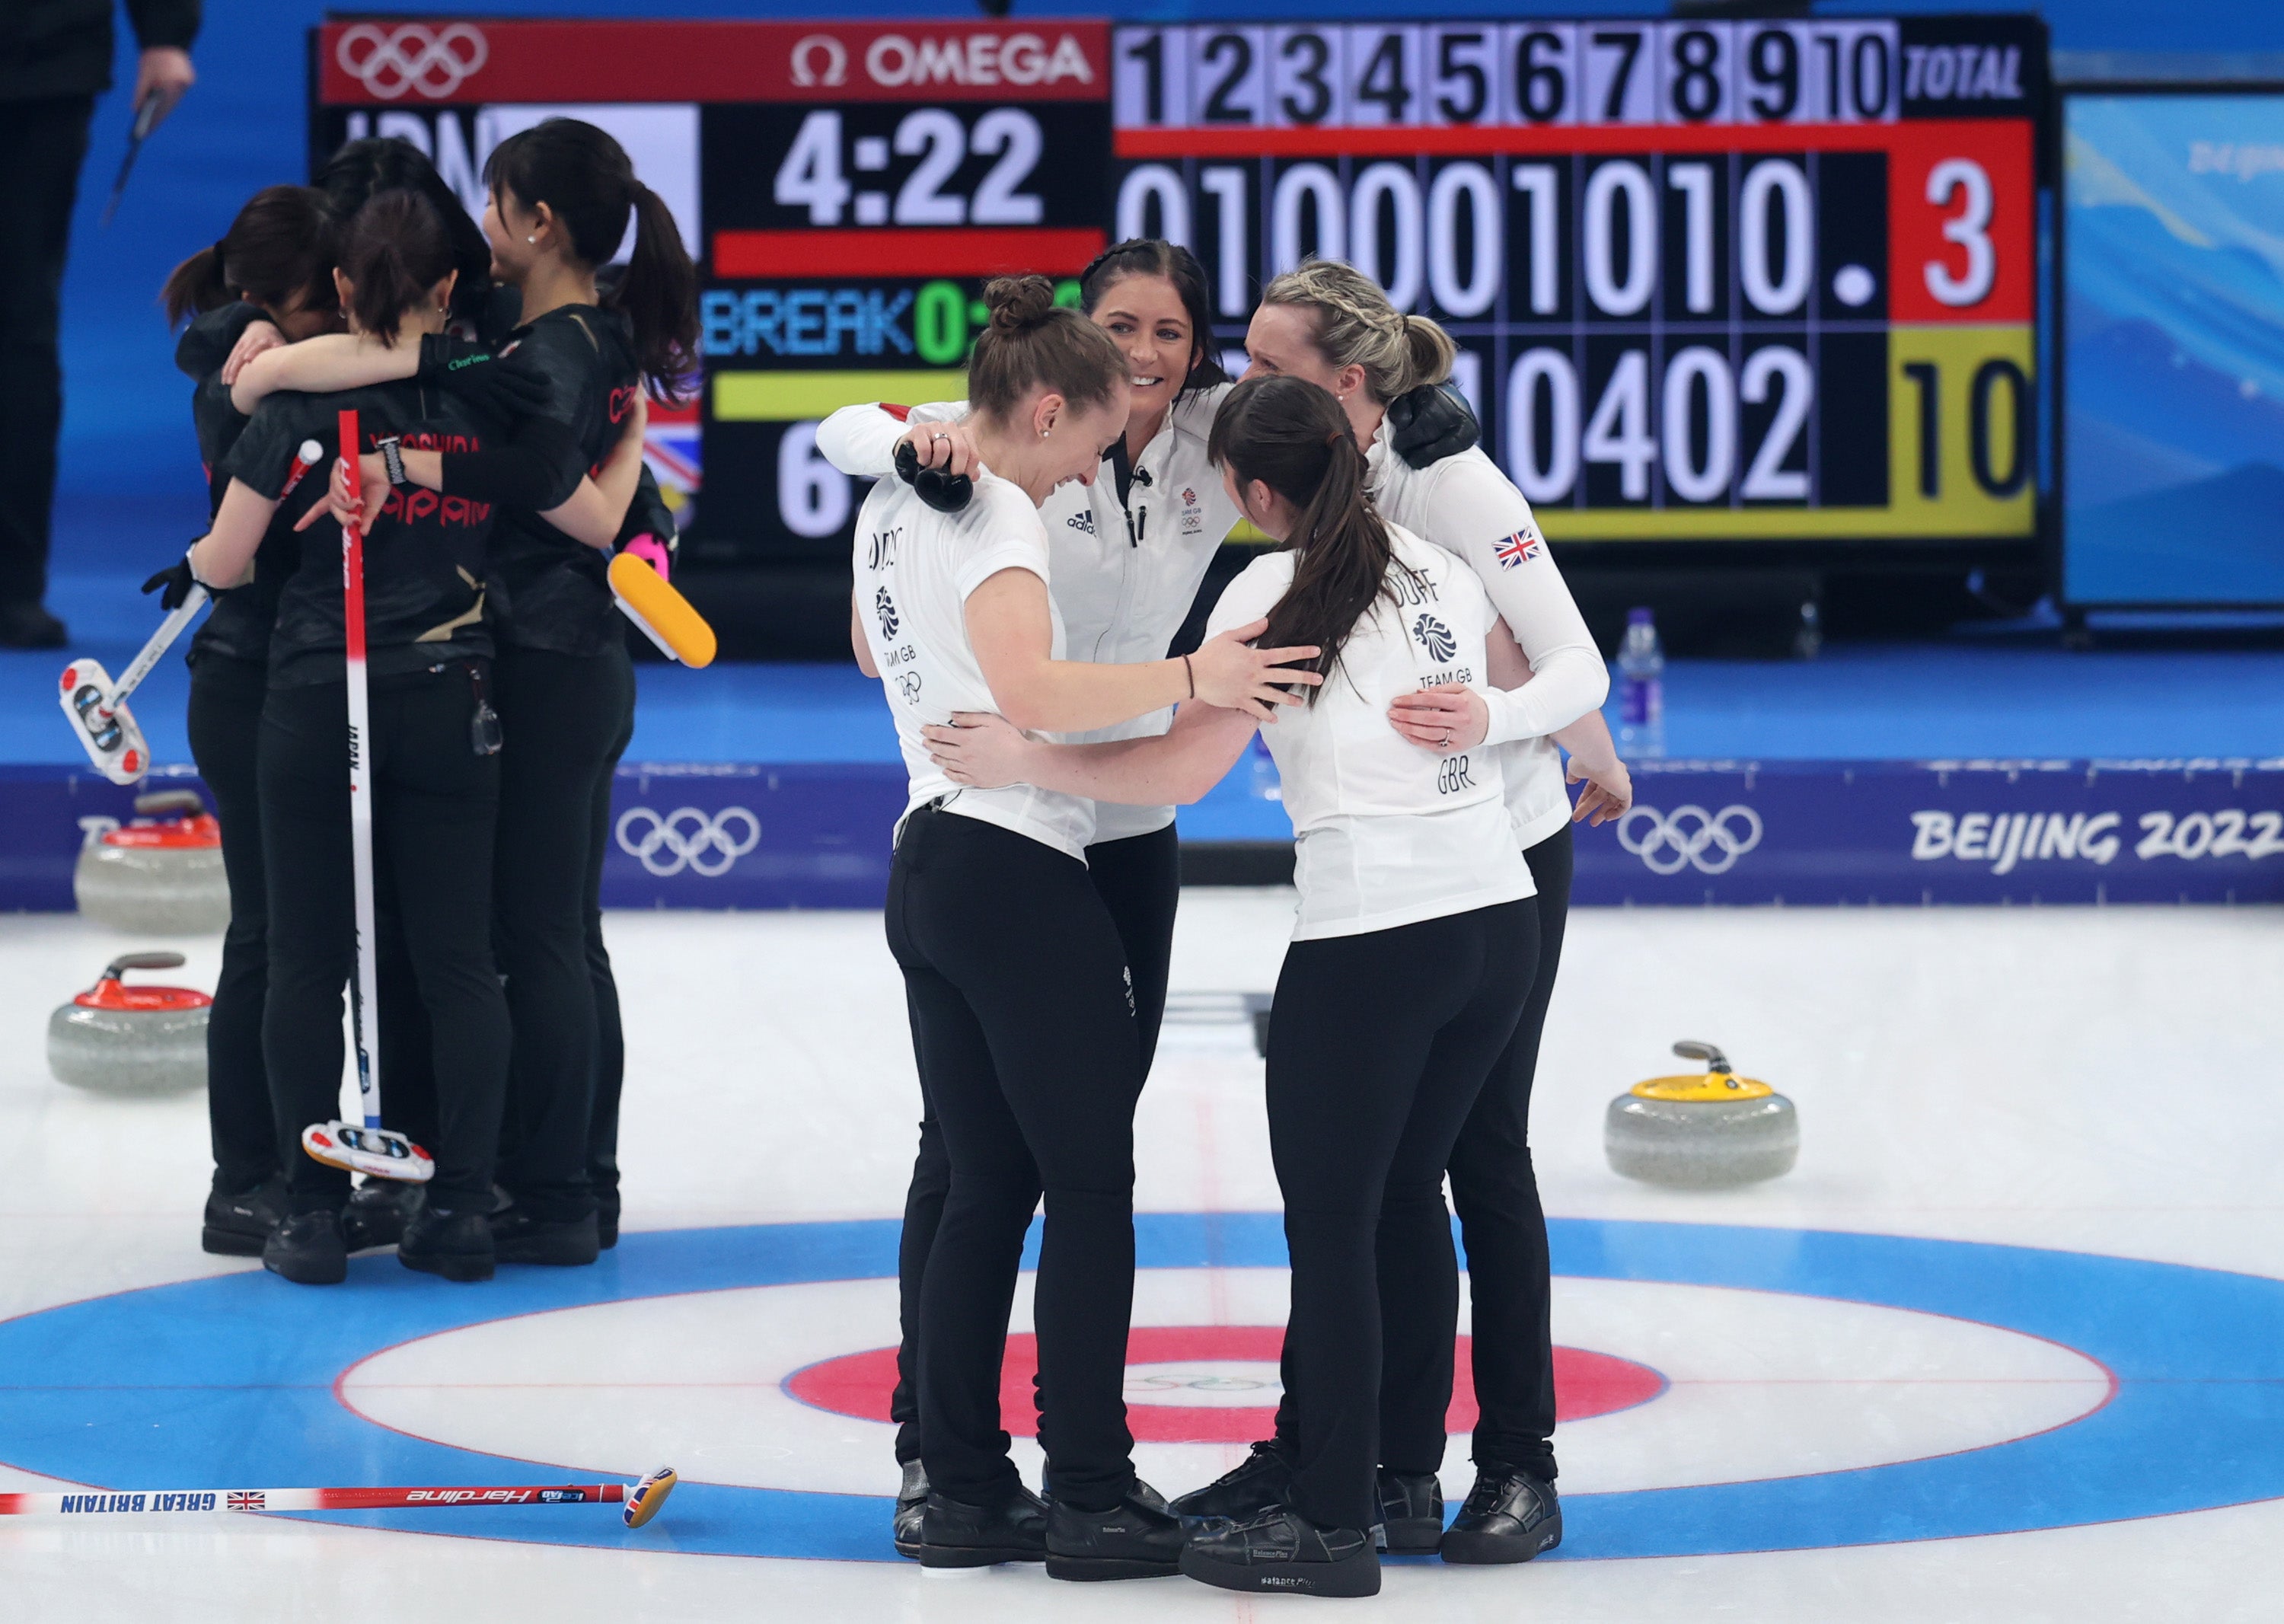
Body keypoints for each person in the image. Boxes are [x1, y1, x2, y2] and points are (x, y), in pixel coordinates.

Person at [819, 242, 1489, 1551]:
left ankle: (966, 1476)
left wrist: (1432, 425)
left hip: (1021, 835)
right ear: (1060, 380)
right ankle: (1066, 1483)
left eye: (1171, 333)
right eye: (1118, 331)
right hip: (1025, 823)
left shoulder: (1177, 437)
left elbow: (1328, 423)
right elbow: (871, 449)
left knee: (1022, 1158)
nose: (1144, 358)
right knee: (1045, 1168)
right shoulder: (978, 487)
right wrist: (1195, 675)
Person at [921, 374, 1541, 1597]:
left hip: (1378, 939)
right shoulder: (1442, 566)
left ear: (1260, 494)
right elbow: (1521, 678)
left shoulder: (1275, 590)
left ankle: (1329, 1526)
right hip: (1499, 921)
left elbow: (1181, 776)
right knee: (1410, 1198)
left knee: (1339, 1231)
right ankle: (1395, 1483)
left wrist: (1023, 752)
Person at [1158, 261, 1631, 1562]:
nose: (1235, 379)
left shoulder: (1453, 491)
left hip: (1496, 846)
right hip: (1421, 864)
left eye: (1264, 360)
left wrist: (1522, 723)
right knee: (1381, 1179)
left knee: (1472, 1157)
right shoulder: (1311, 478)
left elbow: (1566, 651)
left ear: (1348, 384)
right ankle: (1364, 1459)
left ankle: (1515, 1460)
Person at [851, 274, 1319, 1580]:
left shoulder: (900, 493)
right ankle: (1092, 1488)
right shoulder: (1000, 507)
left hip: (929, 859)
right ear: (1047, 406)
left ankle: (956, 1484)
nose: (1085, 476)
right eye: (1086, 439)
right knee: (1088, 1182)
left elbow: (883, 618)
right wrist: (1196, 675)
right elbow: (1030, 687)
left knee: (983, 1182)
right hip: (1014, 862)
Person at [241, 120, 678, 1264]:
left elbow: (566, 499)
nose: (486, 228)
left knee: (529, 939)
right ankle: (534, 1186)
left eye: (497, 205)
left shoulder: (548, 354)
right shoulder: (542, 343)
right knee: (534, 940)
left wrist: (380, 454)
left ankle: (549, 1190)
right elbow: (400, 362)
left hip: (537, 659)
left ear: (537, 222)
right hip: (532, 660)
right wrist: (280, 362)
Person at [186, 188, 514, 1287]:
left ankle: (307, 1213)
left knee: (305, 960)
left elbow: (227, 566)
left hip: (314, 698)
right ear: (452, 286)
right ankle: (464, 1205)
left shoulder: (287, 415)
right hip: (446, 694)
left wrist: (199, 558)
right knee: (458, 960)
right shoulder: (481, 391)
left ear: (336, 287)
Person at [154, 185, 340, 1256]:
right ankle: (247, 1180)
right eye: (337, 292)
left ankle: (281, 1168)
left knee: (285, 934)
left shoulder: (256, 344)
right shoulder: (251, 382)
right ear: (289, 294)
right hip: (250, 676)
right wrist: (254, 335)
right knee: (271, 937)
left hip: (273, 673)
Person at [0, 0, 198, 647]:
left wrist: (165, 34)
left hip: (44, 64)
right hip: (52, 62)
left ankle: (12, 584)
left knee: (22, 326)